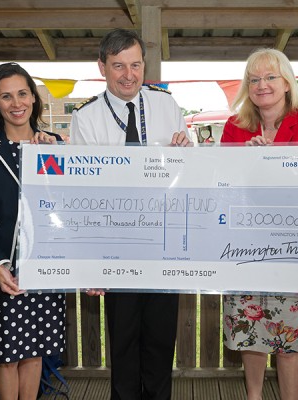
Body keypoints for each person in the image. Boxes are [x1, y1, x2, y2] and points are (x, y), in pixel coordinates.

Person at [70, 28, 190, 400]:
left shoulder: (167, 105)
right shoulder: (86, 117)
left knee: (159, 343)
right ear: (102, 67)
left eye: (135, 65)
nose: (128, 75)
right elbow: (82, 194)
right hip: (115, 246)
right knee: (122, 345)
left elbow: (189, 172)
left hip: (163, 245)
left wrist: (187, 151)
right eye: (118, 66)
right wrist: (91, 260)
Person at [220, 48, 298, 400]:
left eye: (270, 77)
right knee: (248, 331)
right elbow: (221, 185)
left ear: (287, 82)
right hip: (242, 248)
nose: (262, 85)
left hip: (293, 251)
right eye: (254, 79)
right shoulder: (234, 128)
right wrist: (249, 163)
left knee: (290, 340)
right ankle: (253, 396)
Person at [0, 62, 66, 400]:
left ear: (34, 98)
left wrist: (54, 151)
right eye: (6, 96)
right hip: (4, 268)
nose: (16, 102)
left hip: (46, 263)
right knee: (7, 357)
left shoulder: (55, 146)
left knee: (34, 352)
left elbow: (72, 206)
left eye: (22, 93)